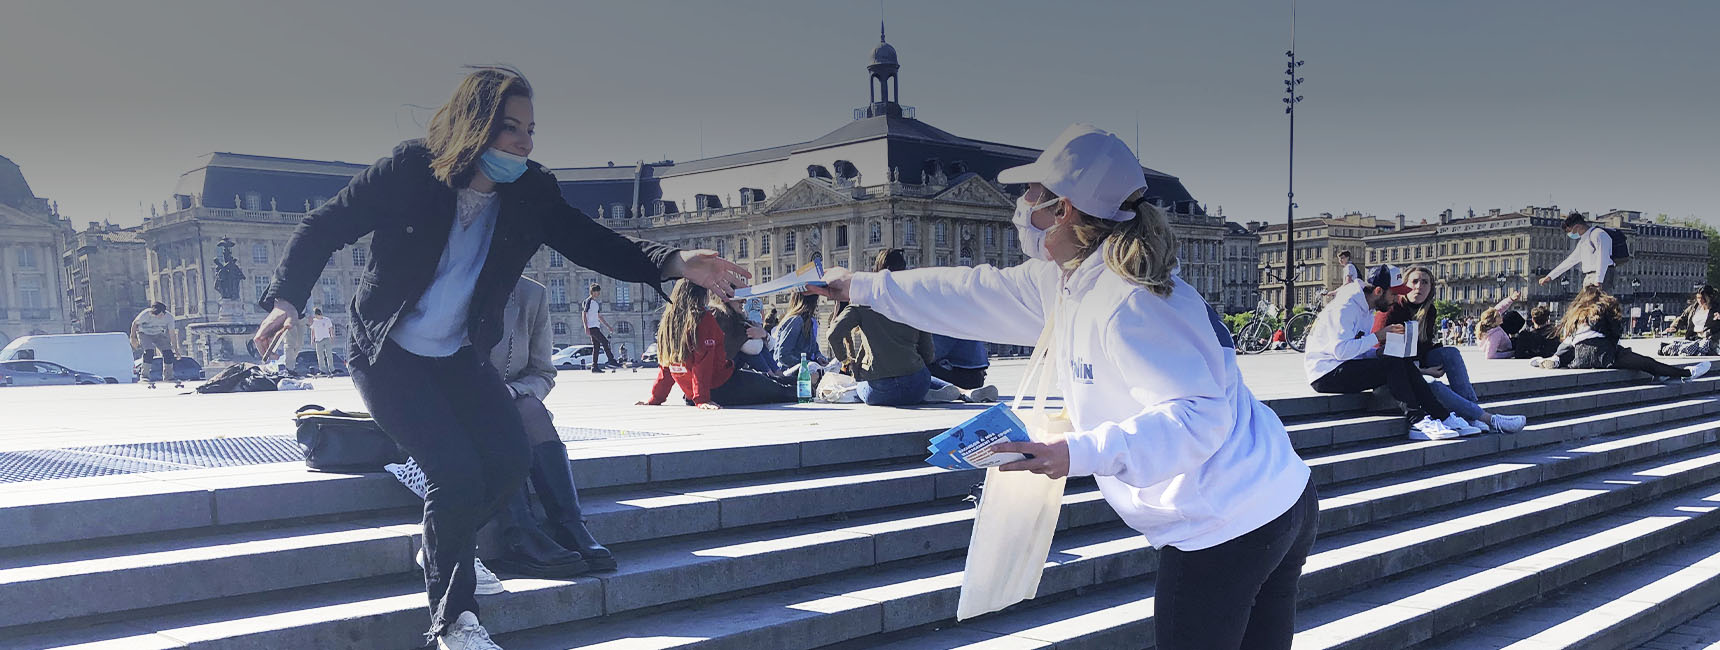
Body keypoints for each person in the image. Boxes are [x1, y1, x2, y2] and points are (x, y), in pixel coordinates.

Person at [250, 67, 746, 650]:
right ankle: (453, 623)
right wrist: (288, 300)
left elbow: (595, 242)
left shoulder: (531, 191)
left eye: (530, 129)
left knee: (511, 460)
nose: (524, 142)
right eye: (509, 127)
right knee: (455, 474)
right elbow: (323, 225)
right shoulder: (411, 170)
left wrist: (676, 260)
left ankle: (441, 540)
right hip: (386, 351)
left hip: (458, 353)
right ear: (473, 123)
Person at [814, 123, 1316, 649]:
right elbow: (971, 291)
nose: (1021, 204)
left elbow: (1196, 417)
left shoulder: (1129, 302)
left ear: (1064, 209)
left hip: (1229, 521)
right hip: (1270, 495)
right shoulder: (1072, 278)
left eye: (1032, 194)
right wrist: (863, 287)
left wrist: (1074, 452)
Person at [486, 276, 614, 576]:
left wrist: (512, 391)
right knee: (495, 417)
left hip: (509, 402)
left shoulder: (530, 294)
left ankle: (569, 523)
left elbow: (543, 372)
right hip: (454, 407)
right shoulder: (447, 286)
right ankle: (519, 532)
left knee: (530, 408)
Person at [1306, 266, 1470, 440]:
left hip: (1343, 365)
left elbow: (1356, 348)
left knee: (1397, 358)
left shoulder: (1367, 307)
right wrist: (1379, 336)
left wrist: (1377, 353)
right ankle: (1418, 421)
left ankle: (1442, 416)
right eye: (1393, 294)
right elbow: (1341, 351)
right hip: (1325, 374)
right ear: (1378, 291)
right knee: (1392, 363)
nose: (1396, 299)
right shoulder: (1345, 308)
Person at [827, 249, 994, 405]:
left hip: (879, 389)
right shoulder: (914, 302)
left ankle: (931, 395)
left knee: (859, 388)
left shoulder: (862, 303)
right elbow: (928, 354)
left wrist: (847, 360)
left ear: (876, 270)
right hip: (916, 384)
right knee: (918, 374)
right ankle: (959, 392)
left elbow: (833, 333)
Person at [640, 280, 796, 409]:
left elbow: (666, 366)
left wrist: (656, 397)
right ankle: (812, 387)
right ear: (702, 295)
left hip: (692, 394)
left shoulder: (667, 323)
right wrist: (702, 399)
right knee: (781, 391)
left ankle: (806, 381)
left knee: (773, 383)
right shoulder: (702, 318)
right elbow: (704, 361)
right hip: (723, 386)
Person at [1532, 287, 1712, 382]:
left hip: (1579, 356)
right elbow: (1614, 333)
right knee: (1646, 362)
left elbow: (1570, 340)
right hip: (1603, 353)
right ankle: (1686, 373)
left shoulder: (1577, 314)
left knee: (1638, 360)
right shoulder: (1601, 308)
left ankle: (1552, 360)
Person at [1539, 212, 1615, 291]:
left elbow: (1603, 258)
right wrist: (1550, 276)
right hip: (1589, 276)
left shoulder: (1598, 234)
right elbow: (1570, 261)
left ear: (1577, 226)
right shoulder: (1583, 241)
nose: (1570, 234)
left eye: (1570, 231)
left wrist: (1599, 280)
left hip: (1602, 277)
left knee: (1601, 303)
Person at [768, 291, 827, 375]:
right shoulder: (796, 321)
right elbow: (783, 356)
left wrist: (819, 357)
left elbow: (814, 348)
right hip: (790, 373)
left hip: (802, 371)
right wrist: (806, 363)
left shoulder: (808, 322)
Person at [1661, 285, 1720, 356]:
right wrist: (1674, 327)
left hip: (1709, 340)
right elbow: (1682, 318)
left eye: (1703, 298)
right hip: (1694, 338)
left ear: (1710, 297)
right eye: (1698, 298)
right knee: (1675, 343)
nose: (1700, 301)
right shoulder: (1693, 308)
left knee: (1694, 347)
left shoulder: (1716, 309)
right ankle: (1669, 348)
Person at [583, 284, 621, 372]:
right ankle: (611, 360)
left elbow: (599, 316)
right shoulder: (588, 301)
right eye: (597, 291)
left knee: (596, 346)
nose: (598, 293)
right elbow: (584, 314)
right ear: (593, 292)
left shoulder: (596, 304)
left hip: (596, 326)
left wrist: (608, 326)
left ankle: (594, 366)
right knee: (605, 342)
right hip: (592, 327)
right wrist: (586, 327)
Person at [131, 302, 177, 374]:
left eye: (159, 315)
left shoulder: (169, 318)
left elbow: (172, 334)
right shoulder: (146, 314)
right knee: (149, 352)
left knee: (168, 353)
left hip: (158, 334)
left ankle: (169, 376)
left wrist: (176, 349)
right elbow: (134, 324)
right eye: (155, 315)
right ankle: (144, 375)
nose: (157, 317)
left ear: (163, 312)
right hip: (144, 334)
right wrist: (133, 338)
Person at [1476, 291, 1522, 359]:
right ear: (1494, 320)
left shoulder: (1489, 326)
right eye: (1499, 316)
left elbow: (1500, 307)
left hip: (1504, 345)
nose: (1501, 316)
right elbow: (1490, 356)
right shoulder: (1495, 334)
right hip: (1509, 348)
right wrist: (1511, 354)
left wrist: (1511, 299)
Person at [309, 307, 336, 375]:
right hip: (318, 340)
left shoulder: (327, 320)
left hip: (326, 338)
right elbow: (313, 331)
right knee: (320, 356)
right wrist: (312, 339)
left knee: (329, 354)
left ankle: (332, 369)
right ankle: (322, 370)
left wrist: (332, 336)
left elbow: (330, 328)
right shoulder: (314, 321)